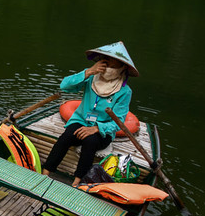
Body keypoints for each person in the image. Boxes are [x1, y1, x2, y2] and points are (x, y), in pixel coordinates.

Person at [44, 41, 139, 186]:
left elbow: (118, 122)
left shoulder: (124, 91)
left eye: (112, 63)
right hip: (81, 121)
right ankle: (45, 173)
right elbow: (64, 86)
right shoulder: (91, 77)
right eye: (105, 61)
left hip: (103, 130)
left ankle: (77, 182)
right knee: (67, 136)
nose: (107, 66)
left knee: (90, 141)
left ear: (122, 67)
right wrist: (88, 72)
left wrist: (97, 128)